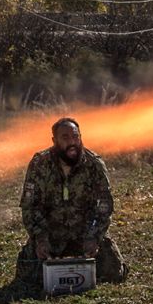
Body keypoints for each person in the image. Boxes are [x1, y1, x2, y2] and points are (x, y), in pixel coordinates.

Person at [16, 117, 128, 284]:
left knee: (113, 272)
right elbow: (30, 206)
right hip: (50, 237)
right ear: (54, 141)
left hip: (84, 236)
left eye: (75, 136)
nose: (72, 142)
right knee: (28, 277)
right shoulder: (40, 164)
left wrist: (94, 237)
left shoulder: (94, 164)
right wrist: (40, 238)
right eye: (65, 138)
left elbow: (104, 207)